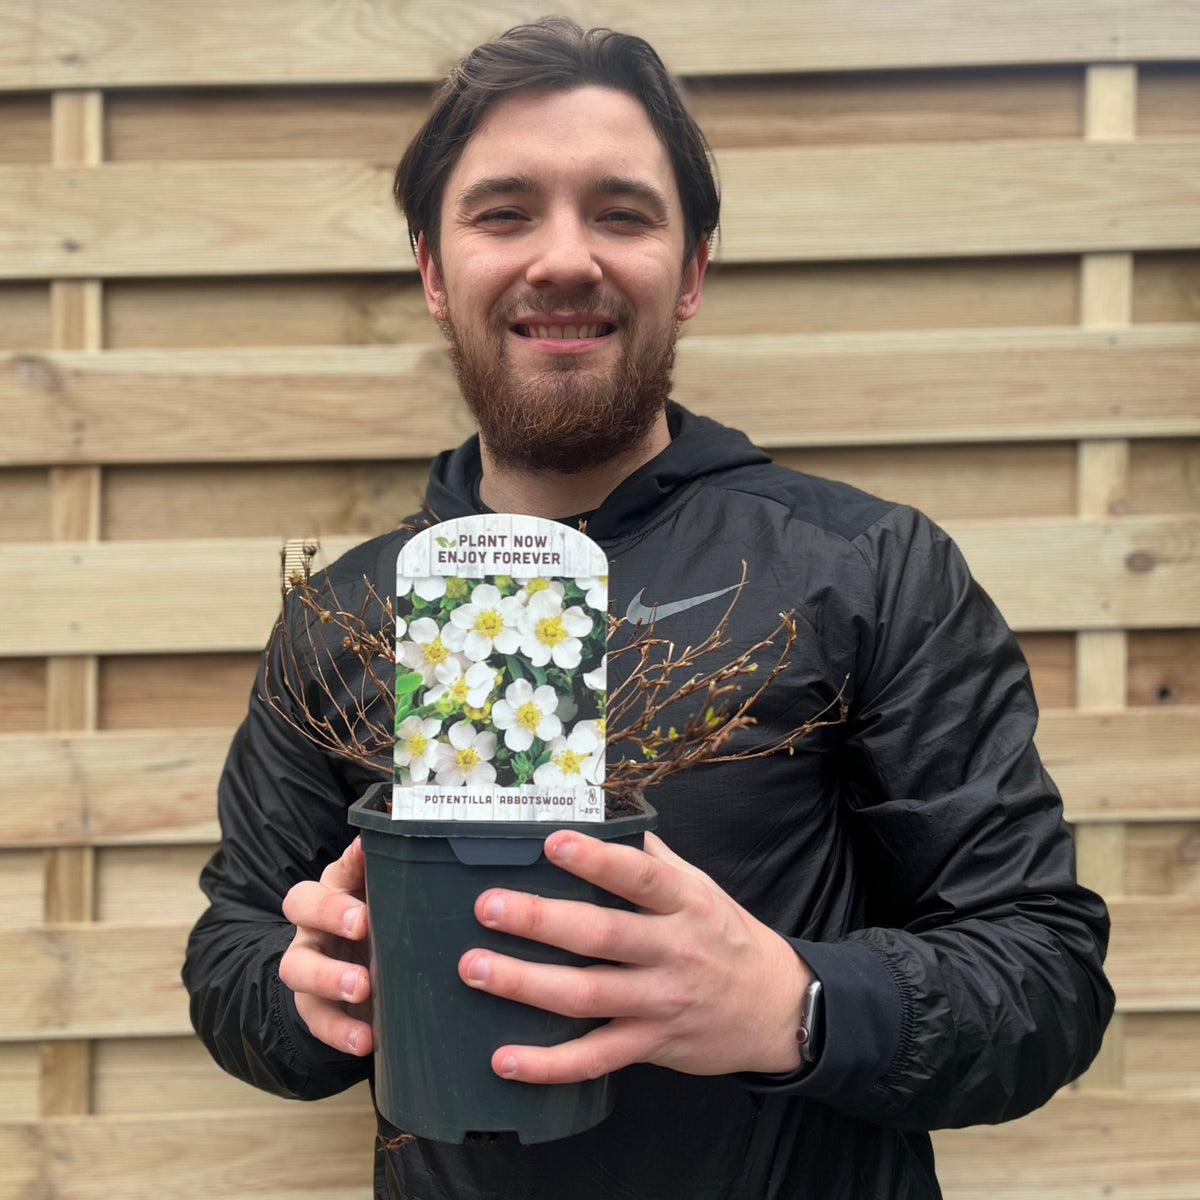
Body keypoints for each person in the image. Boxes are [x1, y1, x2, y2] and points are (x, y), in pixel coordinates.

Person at [183, 17, 1114, 1199]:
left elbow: (1046, 973)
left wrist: (800, 1006)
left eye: (621, 213)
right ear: (431, 270)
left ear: (691, 272)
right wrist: (312, 993)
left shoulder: (868, 568)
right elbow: (231, 955)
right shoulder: (349, 616)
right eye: (504, 211)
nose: (564, 257)